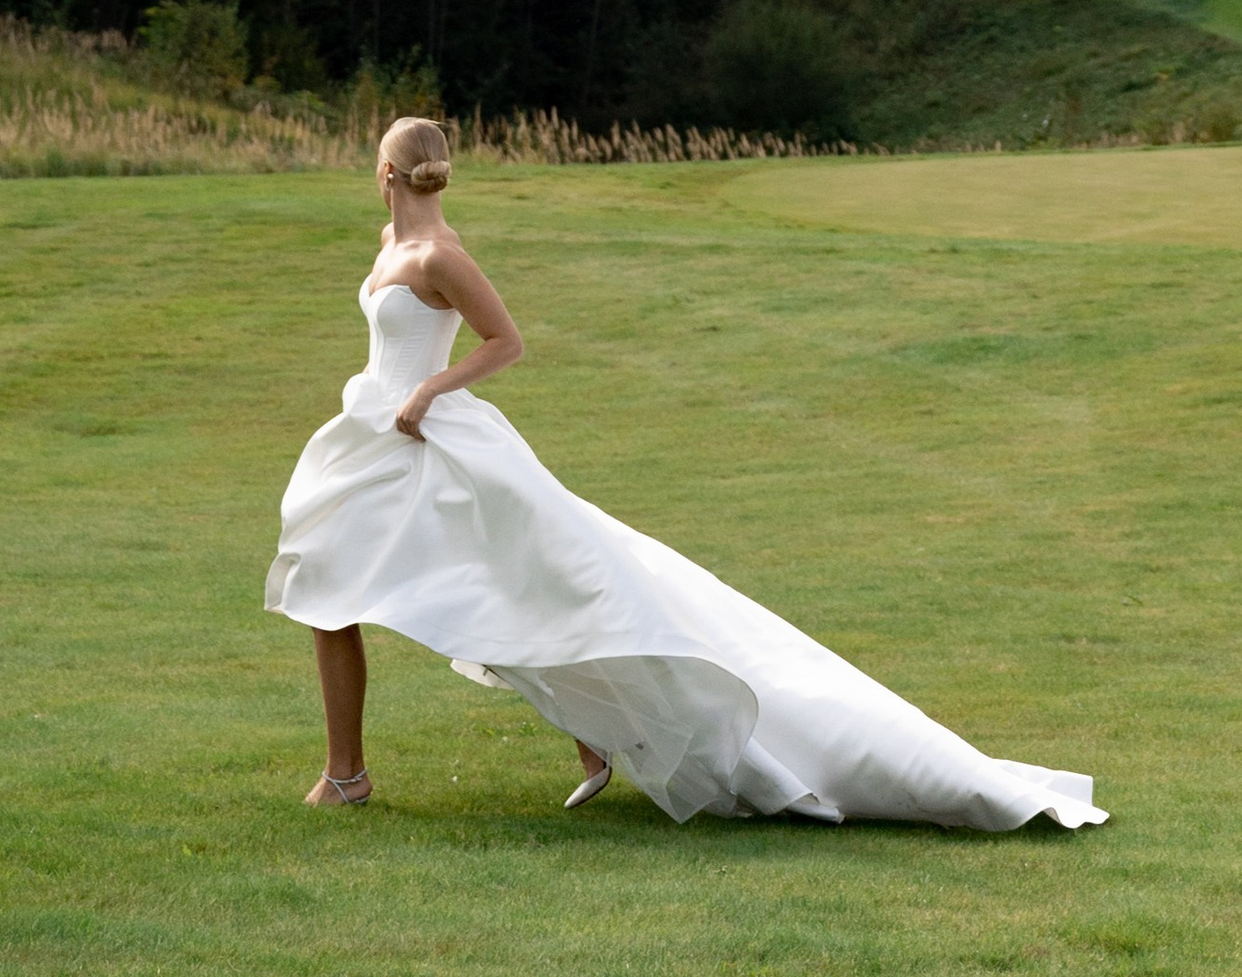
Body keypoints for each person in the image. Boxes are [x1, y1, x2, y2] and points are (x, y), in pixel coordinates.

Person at [265, 117, 1105, 829]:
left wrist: (431, 389)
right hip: (376, 440)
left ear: (385, 172)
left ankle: (383, 770)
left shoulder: (442, 256)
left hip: (432, 440)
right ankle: (361, 770)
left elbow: (506, 342)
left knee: (531, 587)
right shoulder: (390, 244)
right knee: (355, 589)